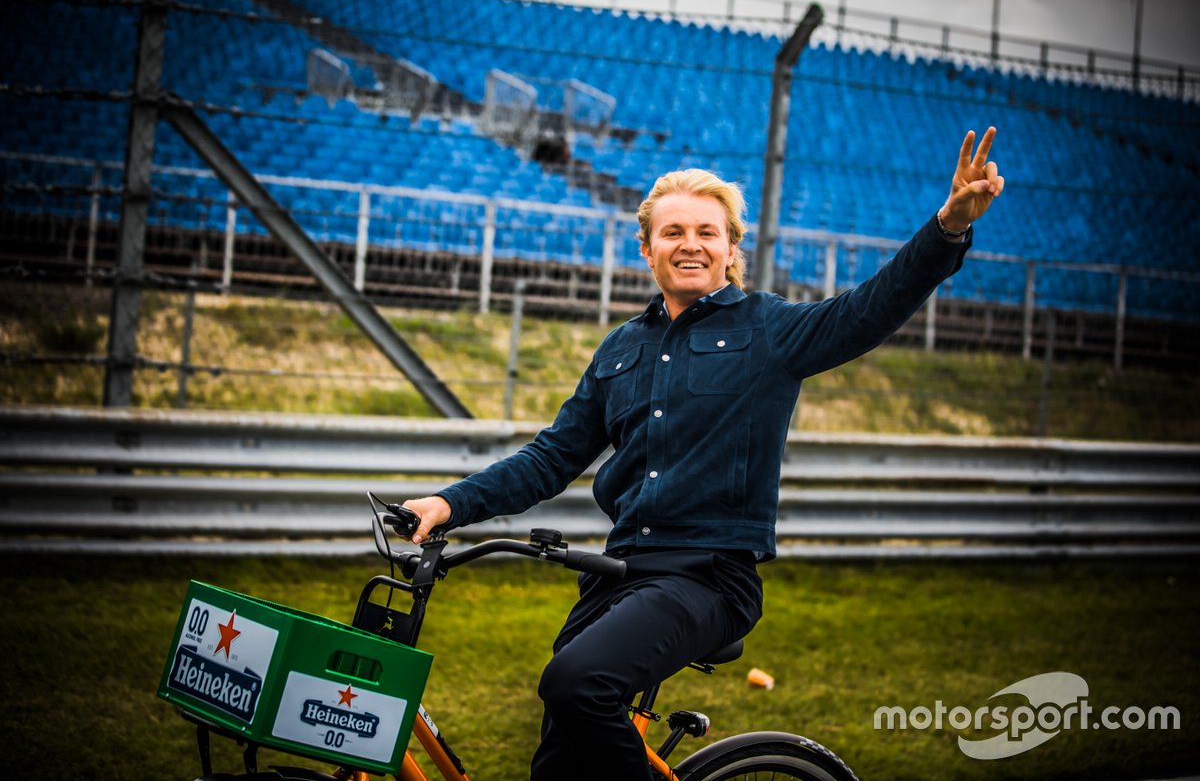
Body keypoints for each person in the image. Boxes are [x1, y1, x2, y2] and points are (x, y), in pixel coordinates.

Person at [402, 127, 1005, 780]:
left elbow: (870, 308)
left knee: (575, 683)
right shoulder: (620, 350)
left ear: (730, 247)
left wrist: (947, 227)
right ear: (647, 248)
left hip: (710, 578)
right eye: (673, 232)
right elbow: (551, 458)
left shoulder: (768, 330)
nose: (690, 243)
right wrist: (447, 502)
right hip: (617, 579)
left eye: (707, 232)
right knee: (559, 764)